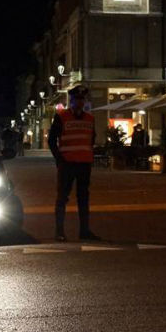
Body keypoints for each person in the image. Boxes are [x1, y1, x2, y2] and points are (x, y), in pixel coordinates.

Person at [48, 85, 100, 242]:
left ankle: (84, 231)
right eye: (77, 99)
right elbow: (51, 140)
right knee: (62, 197)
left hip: (84, 164)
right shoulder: (61, 117)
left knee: (83, 198)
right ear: (71, 101)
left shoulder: (90, 118)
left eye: (82, 99)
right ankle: (59, 232)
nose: (80, 102)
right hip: (67, 163)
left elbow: (91, 139)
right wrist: (59, 159)